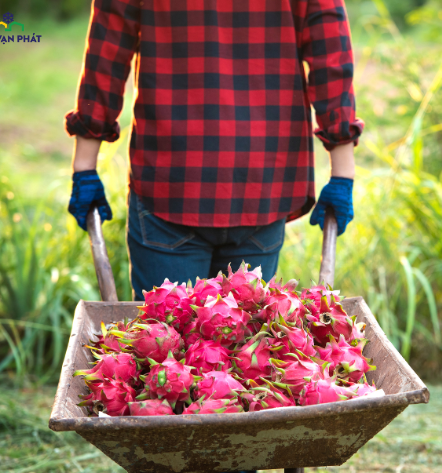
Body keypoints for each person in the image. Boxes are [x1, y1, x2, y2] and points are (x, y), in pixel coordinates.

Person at [66, 1, 362, 469]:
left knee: (165, 379)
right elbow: (329, 52)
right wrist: (342, 171)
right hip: (262, 185)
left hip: (171, 181)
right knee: (243, 371)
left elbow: (108, 50)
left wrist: (85, 165)